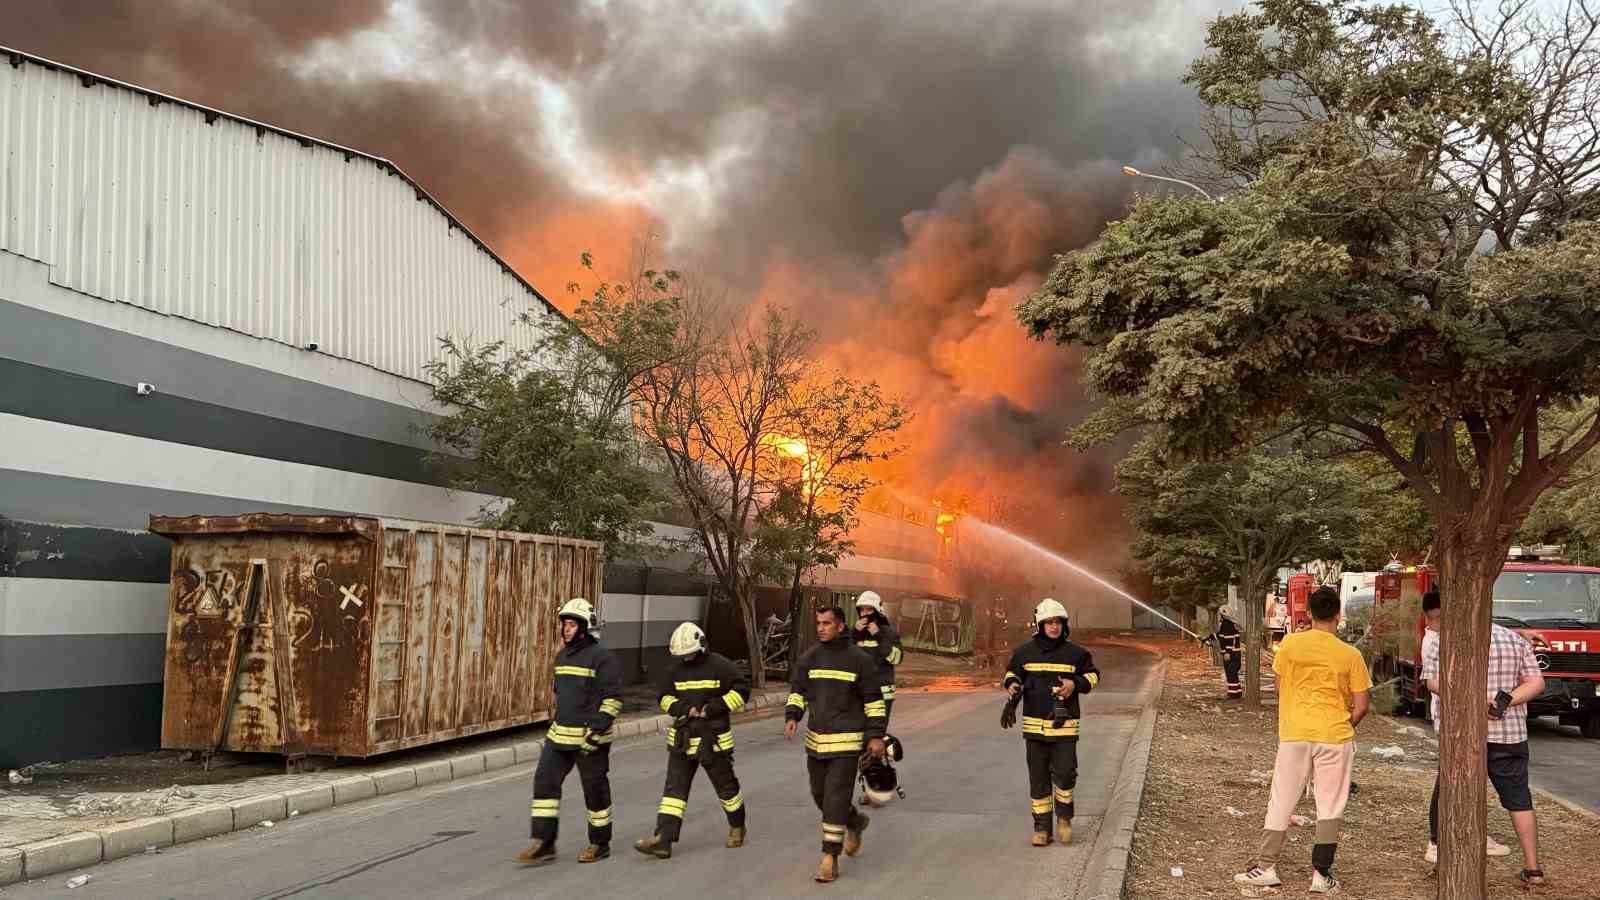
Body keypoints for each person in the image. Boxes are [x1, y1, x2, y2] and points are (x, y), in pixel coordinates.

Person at [1235, 586, 1370, 894]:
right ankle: (1321, 875)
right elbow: (1362, 706)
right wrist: (1343, 724)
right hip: (1335, 736)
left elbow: (1282, 689)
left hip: (1294, 733)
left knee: (1281, 798)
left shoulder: (1291, 646)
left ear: (1308, 613)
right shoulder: (1351, 655)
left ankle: (1266, 867)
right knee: (1330, 804)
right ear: (1338, 615)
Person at [1421, 590, 1545, 886]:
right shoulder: (1514, 639)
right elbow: (1537, 682)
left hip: (1462, 734)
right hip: (1509, 733)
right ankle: (1533, 869)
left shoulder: (1442, 639)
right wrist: (1503, 702)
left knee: (1454, 796)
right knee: (1519, 799)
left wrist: (1472, 700)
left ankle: (1445, 857)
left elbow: (1433, 682)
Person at [516, 598, 622, 867]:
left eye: (572, 624)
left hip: (590, 739)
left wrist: (597, 730)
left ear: (585, 628)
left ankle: (600, 844)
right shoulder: (561, 656)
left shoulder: (603, 658)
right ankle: (544, 843)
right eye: (564, 624)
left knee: (594, 791)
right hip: (559, 737)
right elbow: (561, 693)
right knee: (544, 783)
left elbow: (613, 699)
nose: (566, 629)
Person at [784, 606, 887, 883]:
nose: (820, 628)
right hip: (816, 744)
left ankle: (829, 858)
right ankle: (855, 822)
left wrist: (876, 735)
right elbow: (798, 691)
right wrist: (793, 716)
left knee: (835, 798)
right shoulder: (810, 657)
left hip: (847, 744)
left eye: (826, 623)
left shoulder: (859, 660)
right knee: (819, 795)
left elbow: (874, 702)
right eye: (818, 623)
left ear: (840, 626)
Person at [634, 622, 751, 860]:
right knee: (673, 792)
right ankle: (663, 840)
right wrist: (684, 709)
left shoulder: (720, 666)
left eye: (689, 653)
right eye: (681, 655)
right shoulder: (674, 671)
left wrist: (714, 707)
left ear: (701, 646)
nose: (685, 658)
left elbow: (742, 690)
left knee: (726, 789)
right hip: (683, 739)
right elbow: (664, 698)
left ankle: (737, 825)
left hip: (714, 741)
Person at [1001, 598, 1100, 847]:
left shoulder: (1076, 654)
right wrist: (1012, 684)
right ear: (1040, 624)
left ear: (1064, 625)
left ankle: (1064, 818)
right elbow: (1012, 672)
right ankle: (1042, 829)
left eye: (1058, 622)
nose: (1054, 627)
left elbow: (1093, 675)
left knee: (1065, 775)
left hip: (1064, 727)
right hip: (1034, 729)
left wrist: (1074, 684)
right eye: (1049, 622)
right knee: (1038, 779)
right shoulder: (1024, 652)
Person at [852, 591, 904, 724]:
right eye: (861, 610)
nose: (864, 613)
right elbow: (846, 660)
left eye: (869, 609)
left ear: (877, 610)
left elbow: (896, 658)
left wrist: (879, 636)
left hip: (882, 694)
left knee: (876, 736)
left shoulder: (889, 632)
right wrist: (854, 636)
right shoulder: (856, 633)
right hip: (859, 692)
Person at [1216, 606, 1243, 700]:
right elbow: (1220, 636)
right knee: (1233, 674)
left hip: (1231, 654)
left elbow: (1229, 639)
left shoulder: (1227, 625)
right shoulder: (1228, 624)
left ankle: (1233, 694)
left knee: (1231, 673)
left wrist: (1227, 652)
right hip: (1234, 654)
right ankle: (1237, 692)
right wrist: (1209, 638)